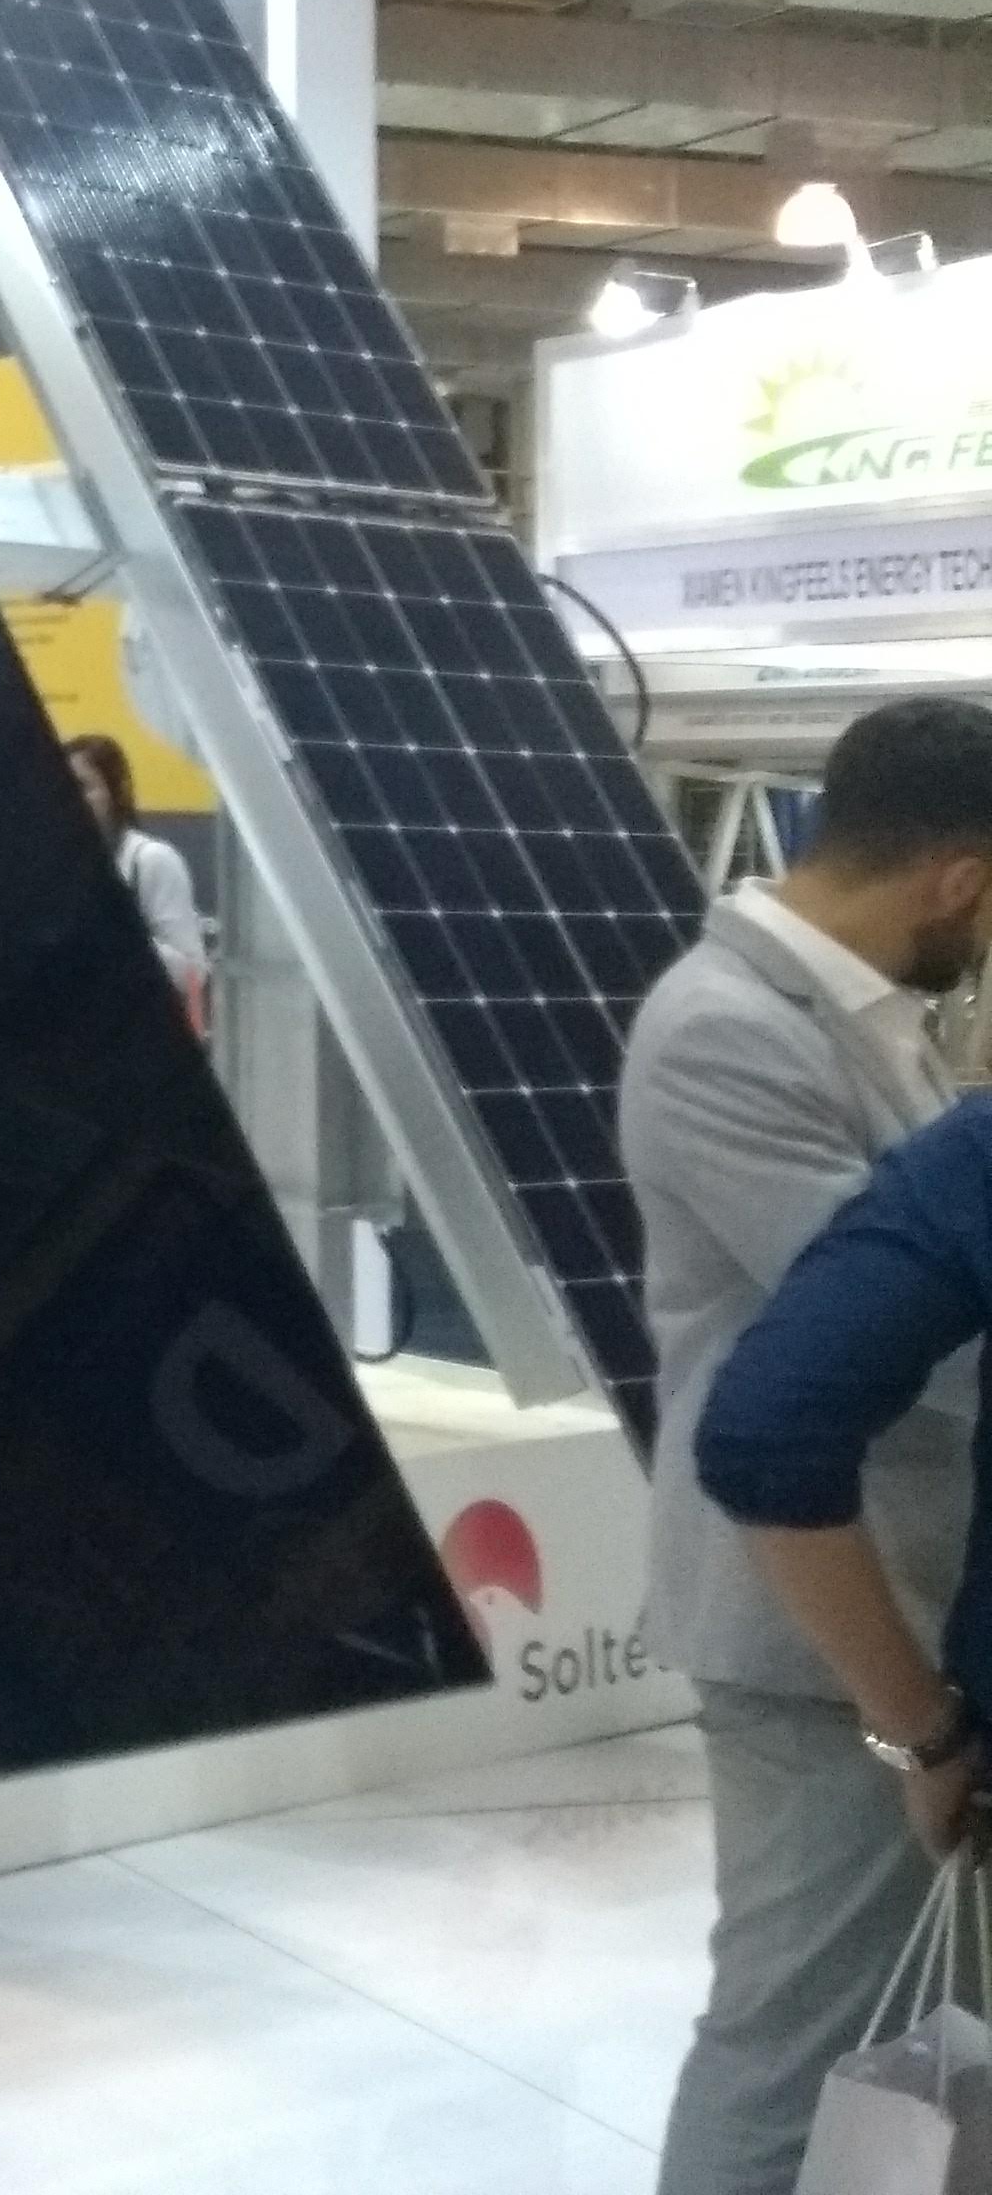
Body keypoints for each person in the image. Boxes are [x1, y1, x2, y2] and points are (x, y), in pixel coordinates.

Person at [645, 697, 992, 2195]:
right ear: (960, 876)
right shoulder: (725, 1030)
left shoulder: (865, 1017)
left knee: (900, 2034)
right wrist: (914, 1719)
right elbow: (857, 1324)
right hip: (821, 1633)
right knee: (790, 2048)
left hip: (896, 1602)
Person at [62, 733, 206, 1009]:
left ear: (116, 791)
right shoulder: (57, 864)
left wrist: (117, 930)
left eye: (83, 786)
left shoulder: (151, 860)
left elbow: (192, 974)